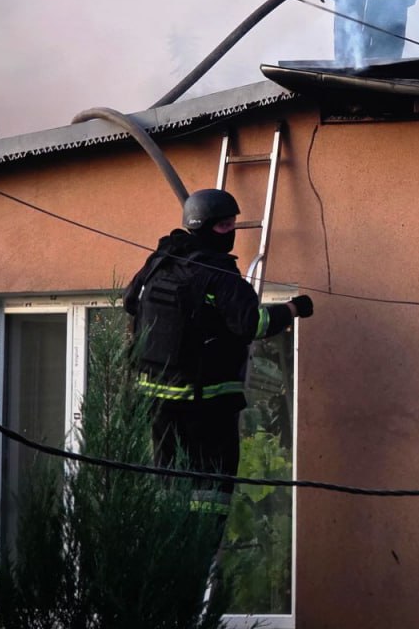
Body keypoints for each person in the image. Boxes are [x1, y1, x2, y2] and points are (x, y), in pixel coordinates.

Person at [122, 188, 312, 524]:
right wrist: (294, 308)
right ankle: (203, 547)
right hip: (206, 406)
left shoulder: (160, 261)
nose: (232, 231)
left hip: (158, 403)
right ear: (204, 227)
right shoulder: (219, 273)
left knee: (170, 485)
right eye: (225, 226)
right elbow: (253, 324)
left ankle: (171, 544)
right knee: (211, 493)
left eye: (233, 224)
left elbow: (130, 302)